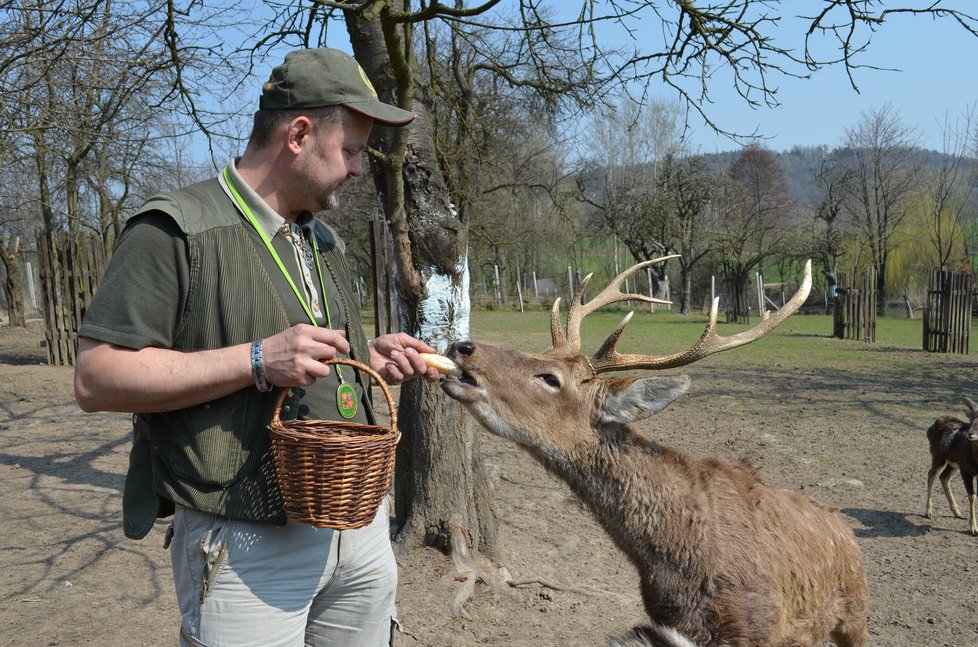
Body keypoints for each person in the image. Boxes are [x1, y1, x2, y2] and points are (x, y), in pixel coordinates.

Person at [73, 47, 440, 647]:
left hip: (360, 531)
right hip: (246, 541)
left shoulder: (322, 240)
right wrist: (256, 360)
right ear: (298, 134)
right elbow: (96, 377)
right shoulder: (174, 229)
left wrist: (363, 363)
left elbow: (307, 356)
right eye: (349, 150)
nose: (355, 169)